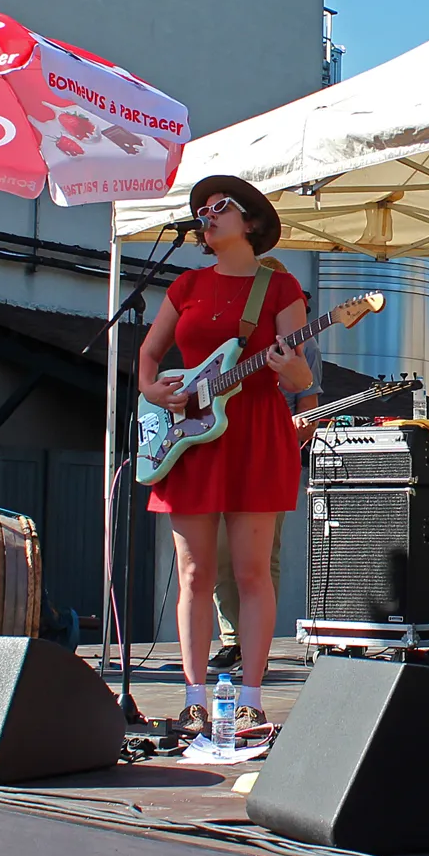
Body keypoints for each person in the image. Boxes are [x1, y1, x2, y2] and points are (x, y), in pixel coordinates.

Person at [138, 175, 311, 736]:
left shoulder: (279, 287)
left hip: (255, 431)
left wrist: (292, 369)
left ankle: (253, 700)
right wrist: (151, 389)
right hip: (189, 434)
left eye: (220, 207)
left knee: (251, 571)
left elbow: (302, 377)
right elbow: (149, 351)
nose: (206, 215)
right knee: (194, 573)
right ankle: (192, 696)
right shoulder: (186, 284)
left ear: (252, 223)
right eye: (201, 210)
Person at [210, 275, 321, 673]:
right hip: (220, 448)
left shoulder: (304, 344)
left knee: (260, 558)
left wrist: (290, 432)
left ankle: (254, 643)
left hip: (266, 454)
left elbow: (307, 409)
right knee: (218, 553)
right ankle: (230, 639)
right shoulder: (230, 338)